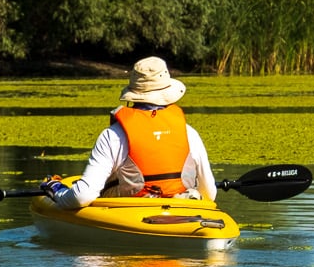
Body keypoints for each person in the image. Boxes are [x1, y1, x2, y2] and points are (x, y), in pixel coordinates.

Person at [43, 57, 219, 209]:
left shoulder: (112, 136)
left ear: (133, 95)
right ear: (169, 94)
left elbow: (82, 196)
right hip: (181, 209)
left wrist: (57, 190)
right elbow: (209, 193)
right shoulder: (189, 133)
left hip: (130, 211)